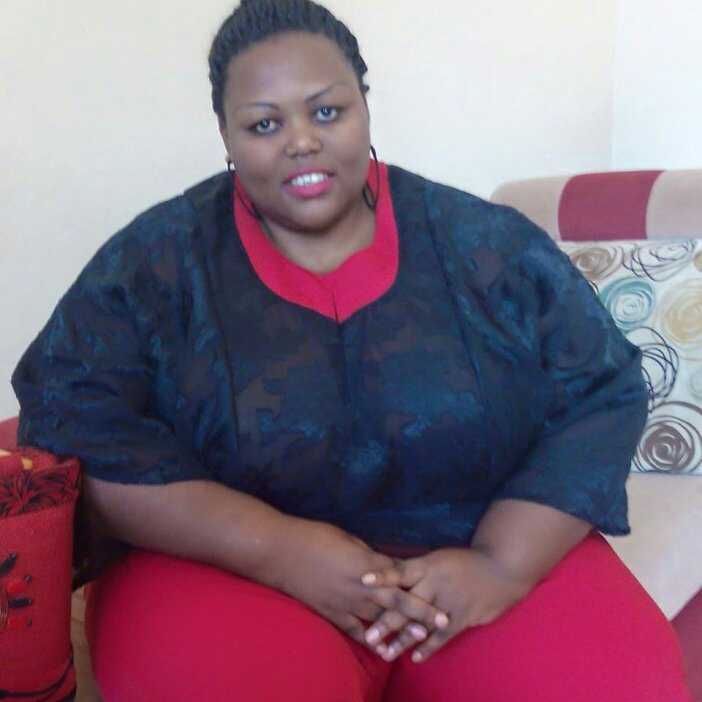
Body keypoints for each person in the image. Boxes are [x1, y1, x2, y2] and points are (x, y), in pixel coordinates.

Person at [12, 1, 692, 700]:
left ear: (364, 105)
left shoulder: (488, 246)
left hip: (476, 549)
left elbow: (601, 390)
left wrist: (501, 564)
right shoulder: (154, 264)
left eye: (327, 111)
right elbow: (74, 416)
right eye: (265, 124)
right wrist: (277, 549)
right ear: (225, 134)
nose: (301, 141)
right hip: (224, 566)